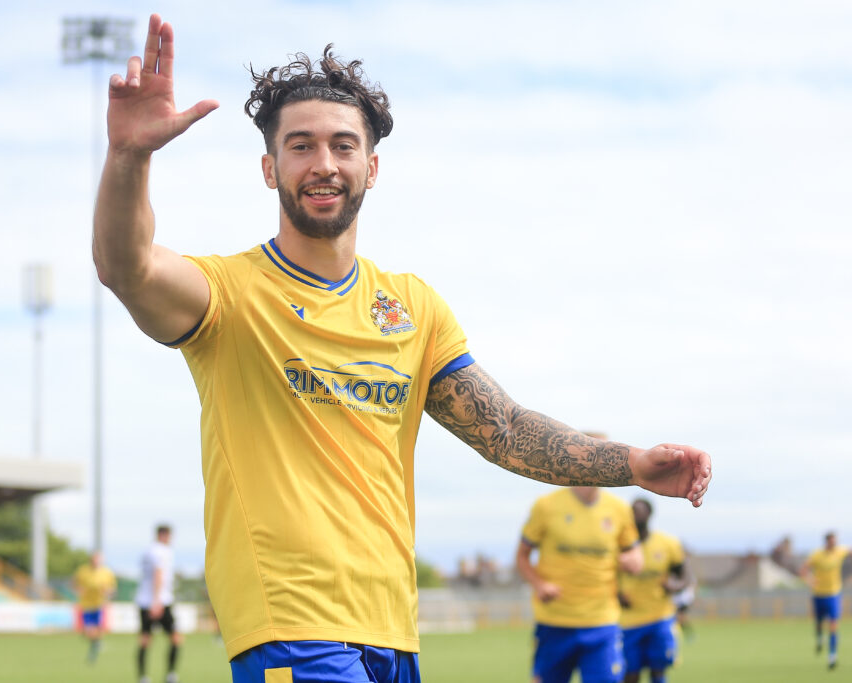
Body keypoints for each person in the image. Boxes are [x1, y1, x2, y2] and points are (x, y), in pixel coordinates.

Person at [93, 14, 713, 681]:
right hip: (292, 627)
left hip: (391, 629)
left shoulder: (413, 307)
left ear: (372, 166)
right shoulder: (231, 295)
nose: (323, 163)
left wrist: (632, 463)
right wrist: (130, 158)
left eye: (342, 145)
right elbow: (128, 267)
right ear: (270, 168)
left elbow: (503, 428)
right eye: (300, 147)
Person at [516, 485, 642, 683]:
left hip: (602, 621)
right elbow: (522, 556)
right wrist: (539, 585)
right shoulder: (546, 505)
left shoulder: (619, 508)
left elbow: (635, 552)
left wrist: (634, 561)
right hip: (555, 620)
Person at [618, 498, 691, 683]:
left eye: (640, 511)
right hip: (628, 621)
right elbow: (606, 577)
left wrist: (674, 586)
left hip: (660, 618)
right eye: (632, 511)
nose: (635, 515)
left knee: (658, 671)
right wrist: (617, 594)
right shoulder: (619, 546)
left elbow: (685, 577)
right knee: (630, 674)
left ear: (649, 514)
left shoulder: (667, 544)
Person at [136, 524, 181, 683]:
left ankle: (143, 677)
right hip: (159, 602)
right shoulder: (161, 551)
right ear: (164, 535)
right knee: (175, 638)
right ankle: (170, 674)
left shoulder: (150, 550)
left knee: (145, 639)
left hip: (145, 601)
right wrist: (156, 601)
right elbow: (158, 574)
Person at [800, 531, 849, 670]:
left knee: (833, 625)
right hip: (818, 594)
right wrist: (809, 580)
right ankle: (820, 638)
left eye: (835, 541)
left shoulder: (840, 551)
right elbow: (803, 570)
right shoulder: (817, 555)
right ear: (826, 542)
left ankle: (832, 656)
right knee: (819, 623)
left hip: (833, 594)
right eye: (831, 542)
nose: (834, 544)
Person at [72, 550, 117, 664]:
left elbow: (112, 590)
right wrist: (78, 590)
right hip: (86, 605)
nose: (96, 562)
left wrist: (108, 592)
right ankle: (95, 644)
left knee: (98, 630)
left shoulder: (107, 573)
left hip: (100, 605)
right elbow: (74, 584)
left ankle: (93, 652)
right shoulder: (82, 571)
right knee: (88, 631)